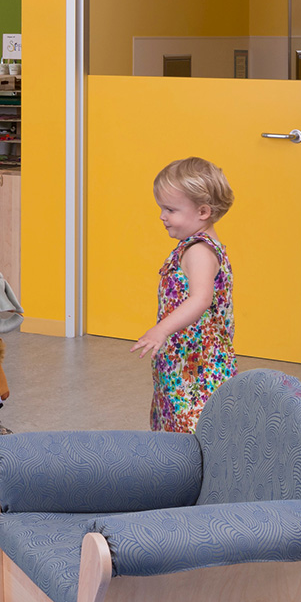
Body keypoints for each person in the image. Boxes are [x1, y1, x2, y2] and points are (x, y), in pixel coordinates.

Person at [132, 157, 235, 432]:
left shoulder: (200, 251)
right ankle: (175, 462)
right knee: (174, 413)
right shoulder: (192, 245)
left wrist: (161, 330)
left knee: (193, 421)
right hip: (181, 356)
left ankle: (191, 467)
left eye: (171, 209)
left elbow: (200, 299)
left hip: (197, 362)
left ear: (203, 211)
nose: (162, 216)